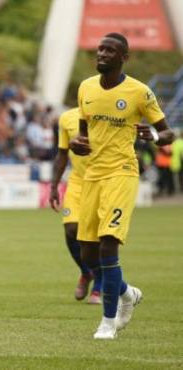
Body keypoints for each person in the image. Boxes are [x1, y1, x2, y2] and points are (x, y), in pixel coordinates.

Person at [70, 33, 174, 339]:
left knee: (108, 243)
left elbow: (168, 134)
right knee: (88, 254)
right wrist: (77, 144)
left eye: (109, 50)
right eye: (100, 48)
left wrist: (153, 138)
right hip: (93, 174)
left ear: (123, 58)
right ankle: (127, 293)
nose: (101, 53)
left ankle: (108, 320)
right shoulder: (86, 88)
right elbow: (83, 133)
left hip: (122, 172)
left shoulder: (139, 92)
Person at [50, 108, 101, 304]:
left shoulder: (108, 113)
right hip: (78, 182)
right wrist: (54, 186)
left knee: (101, 237)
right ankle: (86, 273)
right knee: (71, 229)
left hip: (105, 181)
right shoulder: (67, 118)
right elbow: (62, 154)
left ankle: (98, 288)